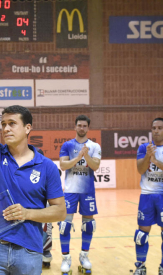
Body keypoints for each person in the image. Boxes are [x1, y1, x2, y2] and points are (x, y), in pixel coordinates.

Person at [0, 39, 66, 275]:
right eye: (3, 124)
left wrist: (28, 213)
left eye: (12, 123)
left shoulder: (46, 167)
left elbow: (60, 211)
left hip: (29, 251)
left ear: (28, 128)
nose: (5, 128)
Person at [133, 118, 163, 275]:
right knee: (141, 234)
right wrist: (148, 157)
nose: (156, 131)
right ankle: (140, 267)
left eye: (160, 128)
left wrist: (156, 161)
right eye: (154, 128)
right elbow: (140, 170)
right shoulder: (144, 148)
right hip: (147, 196)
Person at [58, 115, 102, 274]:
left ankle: (84, 256)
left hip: (87, 190)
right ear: (75, 127)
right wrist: (78, 157)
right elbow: (63, 165)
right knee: (64, 226)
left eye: (84, 126)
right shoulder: (67, 145)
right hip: (70, 190)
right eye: (79, 125)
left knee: (89, 225)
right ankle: (66, 259)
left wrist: (86, 155)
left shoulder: (95, 146)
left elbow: (95, 166)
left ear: (88, 128)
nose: (82, 128)